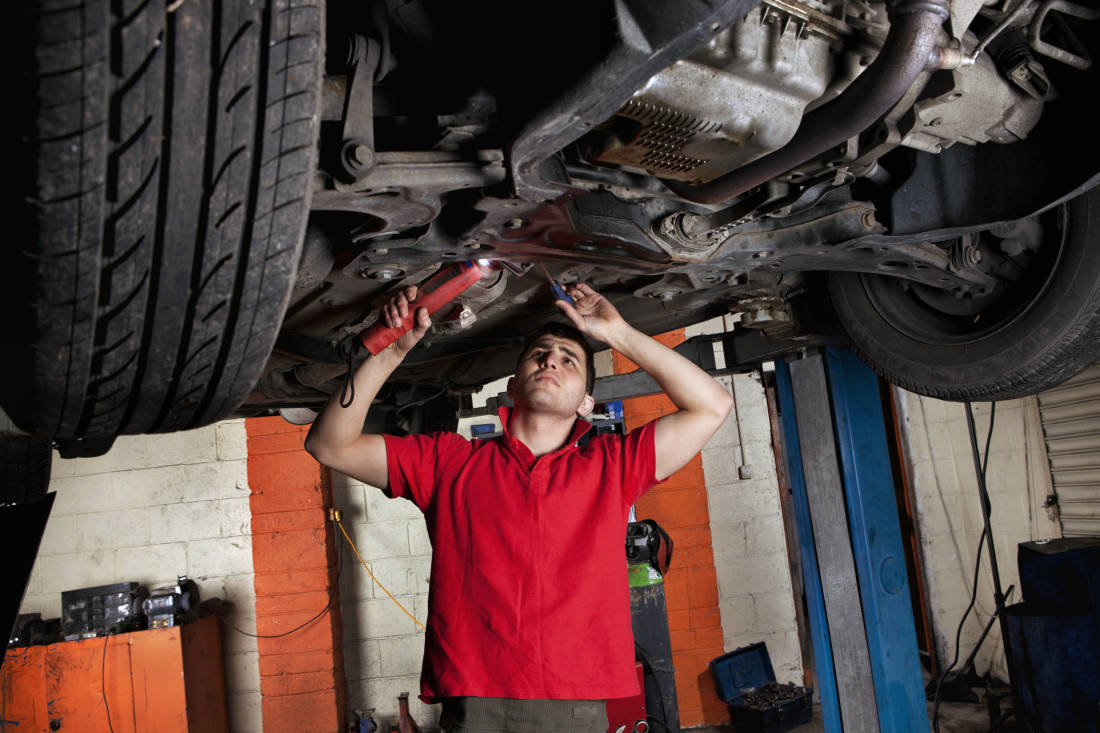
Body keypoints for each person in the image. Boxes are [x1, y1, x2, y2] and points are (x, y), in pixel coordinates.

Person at [306, 282, 734, 733]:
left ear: (587, 403)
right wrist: (393, 350)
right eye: (540, 354)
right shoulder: (449, 462)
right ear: (512, 385)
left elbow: (712, 405)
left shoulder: (613, 467)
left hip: (574, 701)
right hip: (476, 700)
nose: (550, 359)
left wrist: (618, 333)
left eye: (569, 360)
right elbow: (330, 444)